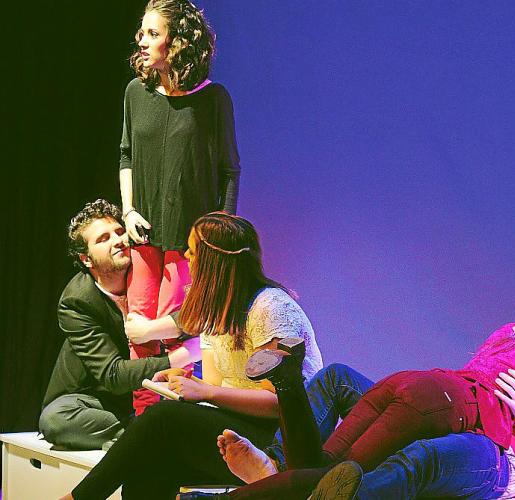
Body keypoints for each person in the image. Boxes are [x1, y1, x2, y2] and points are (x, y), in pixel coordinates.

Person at [212, 295, 515, 500]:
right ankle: (283, 467)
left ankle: (282, 470)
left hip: (491, 452)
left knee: (410, 458)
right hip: (455, 408)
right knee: (342, 385)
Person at [64, 212, 323, 500]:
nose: (186, 257)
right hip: (238, 427)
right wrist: (189, 384)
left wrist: (206, 393)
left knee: (161, 417)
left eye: (192, 251)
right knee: (149, 462)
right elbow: (216, 385)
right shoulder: (217, 311)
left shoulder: (270, 307)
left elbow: (279, 403)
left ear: (213, 261)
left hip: (280, 440)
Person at [204, 365, 515, 500]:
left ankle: (312, 491)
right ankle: (277, 464)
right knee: (341, 380)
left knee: (422, 459)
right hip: (484, 424)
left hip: (501, 465)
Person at [119, 0, 241, 414]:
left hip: (188, 238)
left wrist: (220, 236)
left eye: (153, 33)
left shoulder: (213, 99)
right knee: (138, 333)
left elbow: (229, 170)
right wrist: (128, 210)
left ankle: (171, 420)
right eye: (142, 32)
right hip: (143, 232)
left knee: (177, 332)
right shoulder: (135, 93)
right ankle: (143, 418)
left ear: (178, 43)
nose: (142, 40)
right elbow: (126, 154)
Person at [39, 199, 199, 450]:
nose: (118, 241)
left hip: (153, 392)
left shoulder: (149, 271)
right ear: (87, 259)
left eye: (119, 232)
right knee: (55, 419)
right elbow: (112, 375)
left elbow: (198, 310)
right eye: (103, 239)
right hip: (97, 399)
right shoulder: (77, 301)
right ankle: (143, 433)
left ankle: (141, 434)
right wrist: (182, 356)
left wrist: (153, 330)